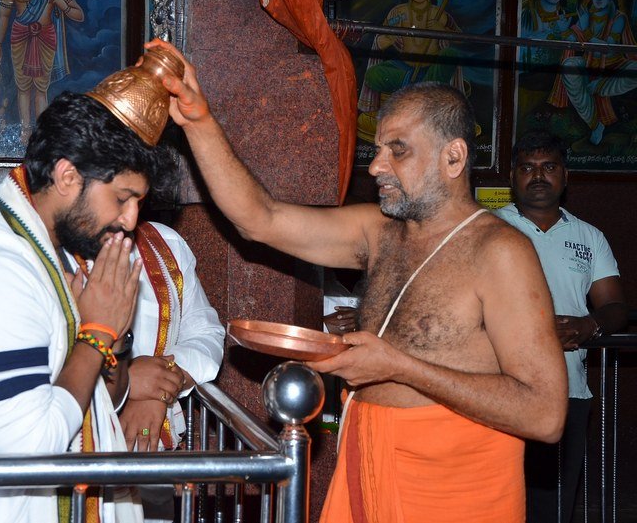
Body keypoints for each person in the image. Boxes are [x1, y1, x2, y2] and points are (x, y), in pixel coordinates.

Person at [149, 40, 569, 522]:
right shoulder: (379, 232)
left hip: (452, 491)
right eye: (377, 150)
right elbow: (260, 219)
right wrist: (200, 123)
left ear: (453, 159)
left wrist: (401, 367)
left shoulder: (501, 252)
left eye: (398, 151)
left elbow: (545, 413)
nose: (375, 167)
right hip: (366, 464)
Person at [0, 88, 175, 523]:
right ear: (66, 176)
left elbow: (103, 399)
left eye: (139, 201)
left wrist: (110, 342)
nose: (132, 220)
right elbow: (28, 448)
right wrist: (96, 332)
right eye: (121, 197)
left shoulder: (56, 251)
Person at [495, 130, 628, 523]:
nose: (538, 176)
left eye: (548, 167)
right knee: (494, 501)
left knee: (552, 507)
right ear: (513, 177)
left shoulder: (589, 237)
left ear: (565, 176)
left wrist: (591, 325)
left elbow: (615, 305)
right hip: (497, 386)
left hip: (568, 390)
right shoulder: (486, 228)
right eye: (527, 168)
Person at [118, 220, 224, 522]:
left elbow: (207, 334)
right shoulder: (45, 246)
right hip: (71, 454)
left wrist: (156, 389)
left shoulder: (163, 242)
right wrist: (126, 381)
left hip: (151, 456)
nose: (129, 212)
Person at [357, 0, 463, 141]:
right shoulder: (398, 13)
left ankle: (421, 85)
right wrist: (390, 37)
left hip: (431, 67)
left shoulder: (440, 15)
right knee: (373, 74)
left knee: (450, 54)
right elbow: (380, 43)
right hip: (404, 67)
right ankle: (423, 87)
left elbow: (461, 40)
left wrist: (441, 30)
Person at [0, 0, 84, 144]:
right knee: (23, 88)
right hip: (20, 36)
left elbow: (79, 15)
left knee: (41, 89)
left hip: (45, 36)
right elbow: (4, 14)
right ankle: (25, 130)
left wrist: (60, 2)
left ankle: (41, 131)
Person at [547, 0, 637, 145]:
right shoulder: (586, 15)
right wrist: (564, 29)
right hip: (589, 65)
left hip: (614, 66)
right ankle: (595, 124)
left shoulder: (618, 17)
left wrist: (586, 28)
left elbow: (605, 50)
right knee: (568, 65)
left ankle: (599, 86)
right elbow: (570, 40)